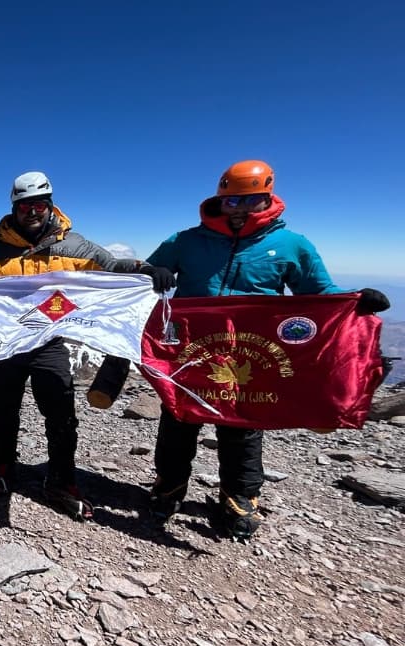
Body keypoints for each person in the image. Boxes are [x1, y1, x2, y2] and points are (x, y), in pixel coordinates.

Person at [144, 160, 391, 540]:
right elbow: (146, 274)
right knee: (179, 417)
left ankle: (240, 498)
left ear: (268, 198)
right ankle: (169, 487)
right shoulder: (186, 240)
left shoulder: (291, 245)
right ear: (219, 200)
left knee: (242, 423)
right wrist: (152, 271)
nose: (240, 209)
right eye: (232, 201)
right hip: (194, 347)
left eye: (252, 201)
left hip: (253, 350)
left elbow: (318, 293)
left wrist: (356, 302)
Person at [0, 171, 154, 520]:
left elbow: (112, 267)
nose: (32, 212)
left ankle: (61, 480)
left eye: (38, 204)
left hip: (49, 342)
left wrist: (142, 269)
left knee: (60, 412)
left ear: (50, 205)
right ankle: (5, 468)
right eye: (24, 206)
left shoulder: (74, 245)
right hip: (8, 344)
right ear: (14, 208)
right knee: (5, 409)